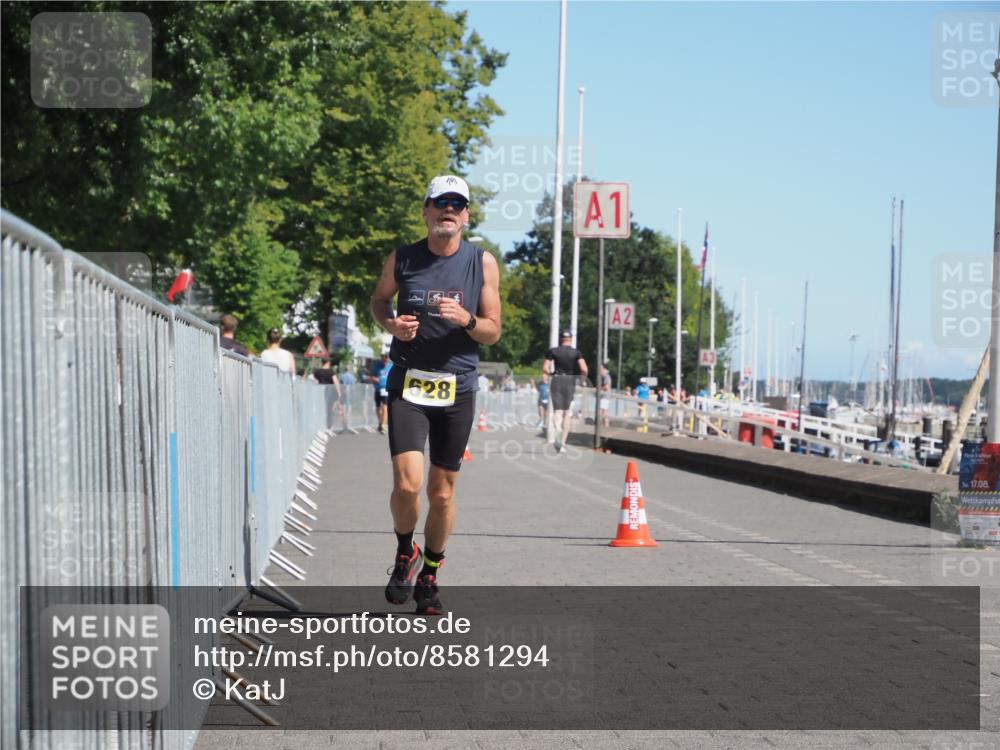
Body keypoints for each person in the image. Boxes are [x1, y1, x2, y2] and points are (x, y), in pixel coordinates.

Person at [370, 174, 501, 615]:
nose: (448, 209)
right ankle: (404, 551)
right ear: (426, 210)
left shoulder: (481, 263)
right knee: (407, 484)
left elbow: (493, 332)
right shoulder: (403, 258)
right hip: (408, 381)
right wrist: (390, 325)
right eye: (440, 202)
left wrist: (467, 319)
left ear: (465, 216)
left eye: (457, 204)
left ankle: (430, 573)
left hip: (457, 388)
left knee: (441, 494)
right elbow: (378, 302)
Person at [544, 330, 588, 453]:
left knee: (557, 411)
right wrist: (583, 380)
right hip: (570, 381)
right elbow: (584, 368)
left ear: (561, 339)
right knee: (567, 412)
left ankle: (557, 430)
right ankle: (562, 443)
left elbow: (545, 367)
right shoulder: (576, 353)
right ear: (571, 339)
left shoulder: (553, 351)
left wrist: (550, 374)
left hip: (557, 380)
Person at [368, 353, 393, 434]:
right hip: (378, 389)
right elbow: (371, 376)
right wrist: (374, 379)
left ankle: (384, 425)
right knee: (378, 407)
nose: (385, 359)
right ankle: (380, 422)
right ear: (382, 358)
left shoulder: (391, 366)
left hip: (386, 389)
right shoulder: (377, 366)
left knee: (385, 407)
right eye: (384, 357)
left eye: (387, 358)